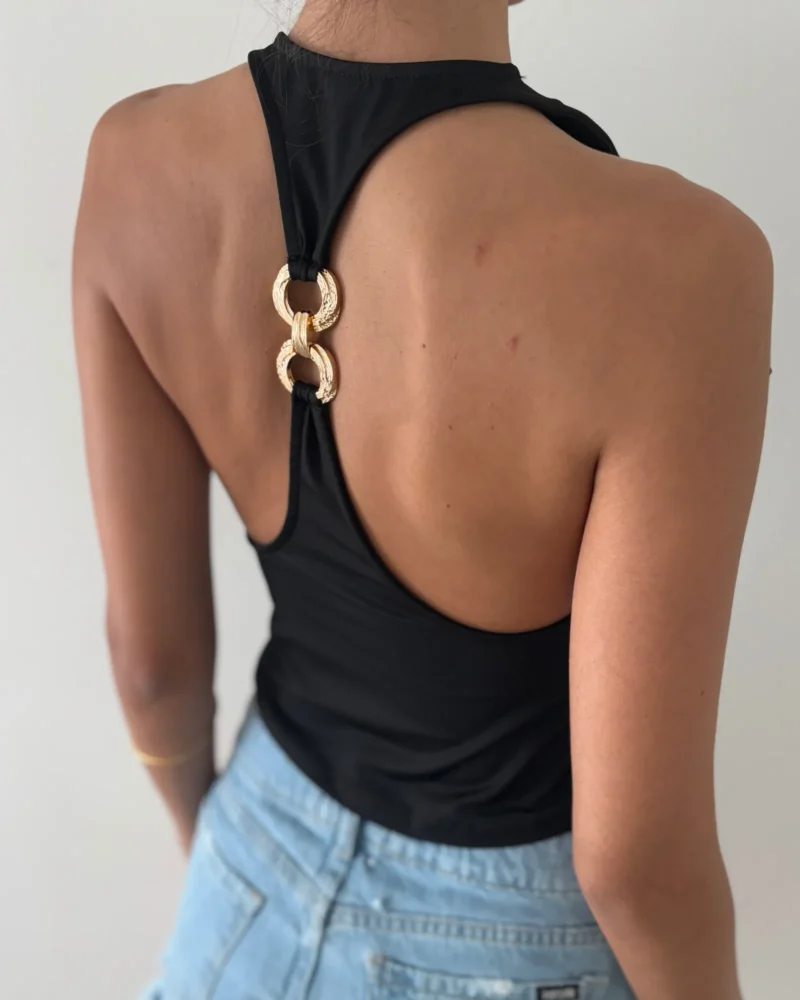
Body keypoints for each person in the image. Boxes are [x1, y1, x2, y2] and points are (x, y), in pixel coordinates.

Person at [72, 0, 772, 997]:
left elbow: (153, 670)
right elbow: (634, 859)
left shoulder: (132, 160)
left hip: (245, 877)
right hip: (514, 943)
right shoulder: (683, 263)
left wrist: (220, 852)